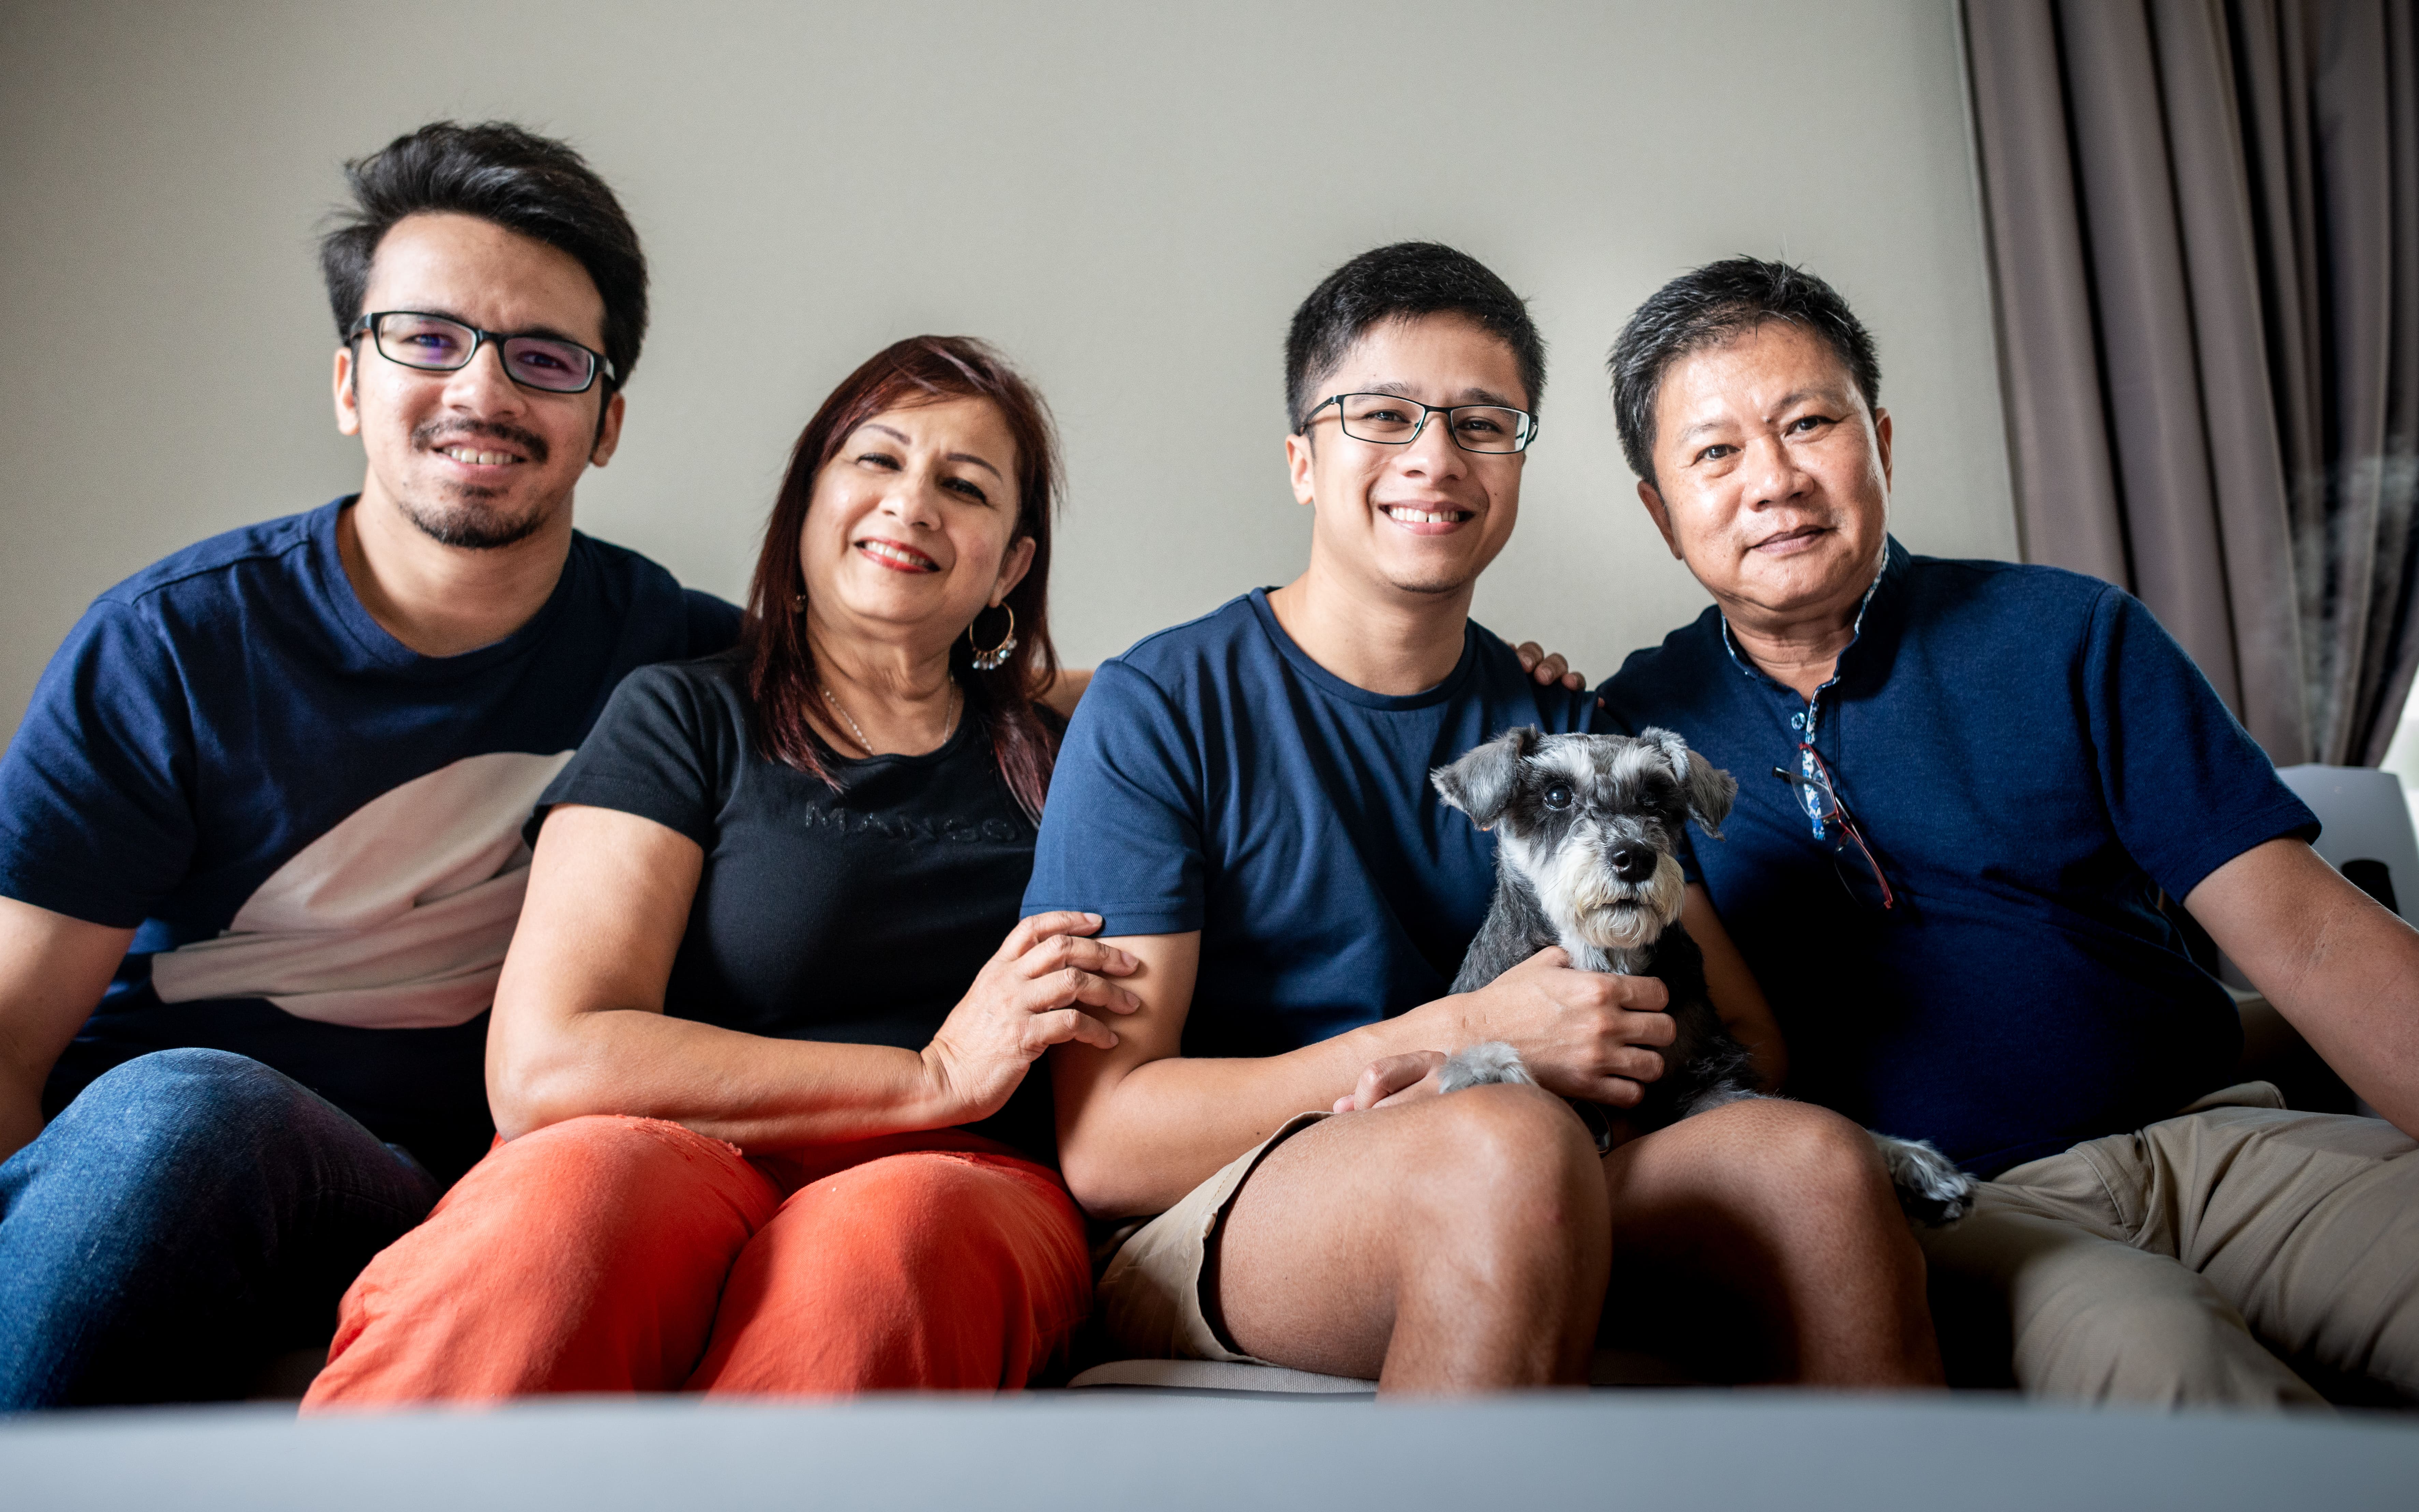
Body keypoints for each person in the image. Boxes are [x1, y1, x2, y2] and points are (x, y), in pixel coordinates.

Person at [1025, 242, 1944, 1392]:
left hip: (1553, 1158)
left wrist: (1586, 1055)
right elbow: (1108, 1143)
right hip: (1243, 1203)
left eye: (1480, 422)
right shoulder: (1159, 707)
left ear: (1515, 460)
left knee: (1810, 1160)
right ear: (1303, 459)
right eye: (1381, 416)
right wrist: (1459, 1038)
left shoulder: (1559, 718)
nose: (1433, 457)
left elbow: (1744, 1039)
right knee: (1501, 1149)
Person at [0, 121, 741, 1408]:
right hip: (152, 1177)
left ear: (606, 421)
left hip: (448, 1207)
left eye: (545, 360)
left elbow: (927, 692)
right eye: (429, 339)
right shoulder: (174, 643)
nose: (484, 392)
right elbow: (7, 1046)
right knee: (191, 1113)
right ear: (349, 382)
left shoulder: (684, 664)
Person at [1594, 256, 2419, 1407]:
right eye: (1715, 453)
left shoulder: (2069, 634)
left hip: (2217, 1143)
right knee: (2162, 1358)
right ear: (1658, 508)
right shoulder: (1632, 733)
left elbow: (2311, 938)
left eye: (1809, 423)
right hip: (1950, 1206)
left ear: (1877, 438)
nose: (1773, 481)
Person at [302, 337, 1131, 1403]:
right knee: (573, 1200)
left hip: (964, 1183)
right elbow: (548, 1061)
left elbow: (1244, 682)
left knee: (894, 1243)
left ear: (1010, 564)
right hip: (687, 1148)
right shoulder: (685, 714)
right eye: (875, 462)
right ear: (808, 501)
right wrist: (931, 1076)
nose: (913, 504)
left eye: (964, 486)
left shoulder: (1082, 749)